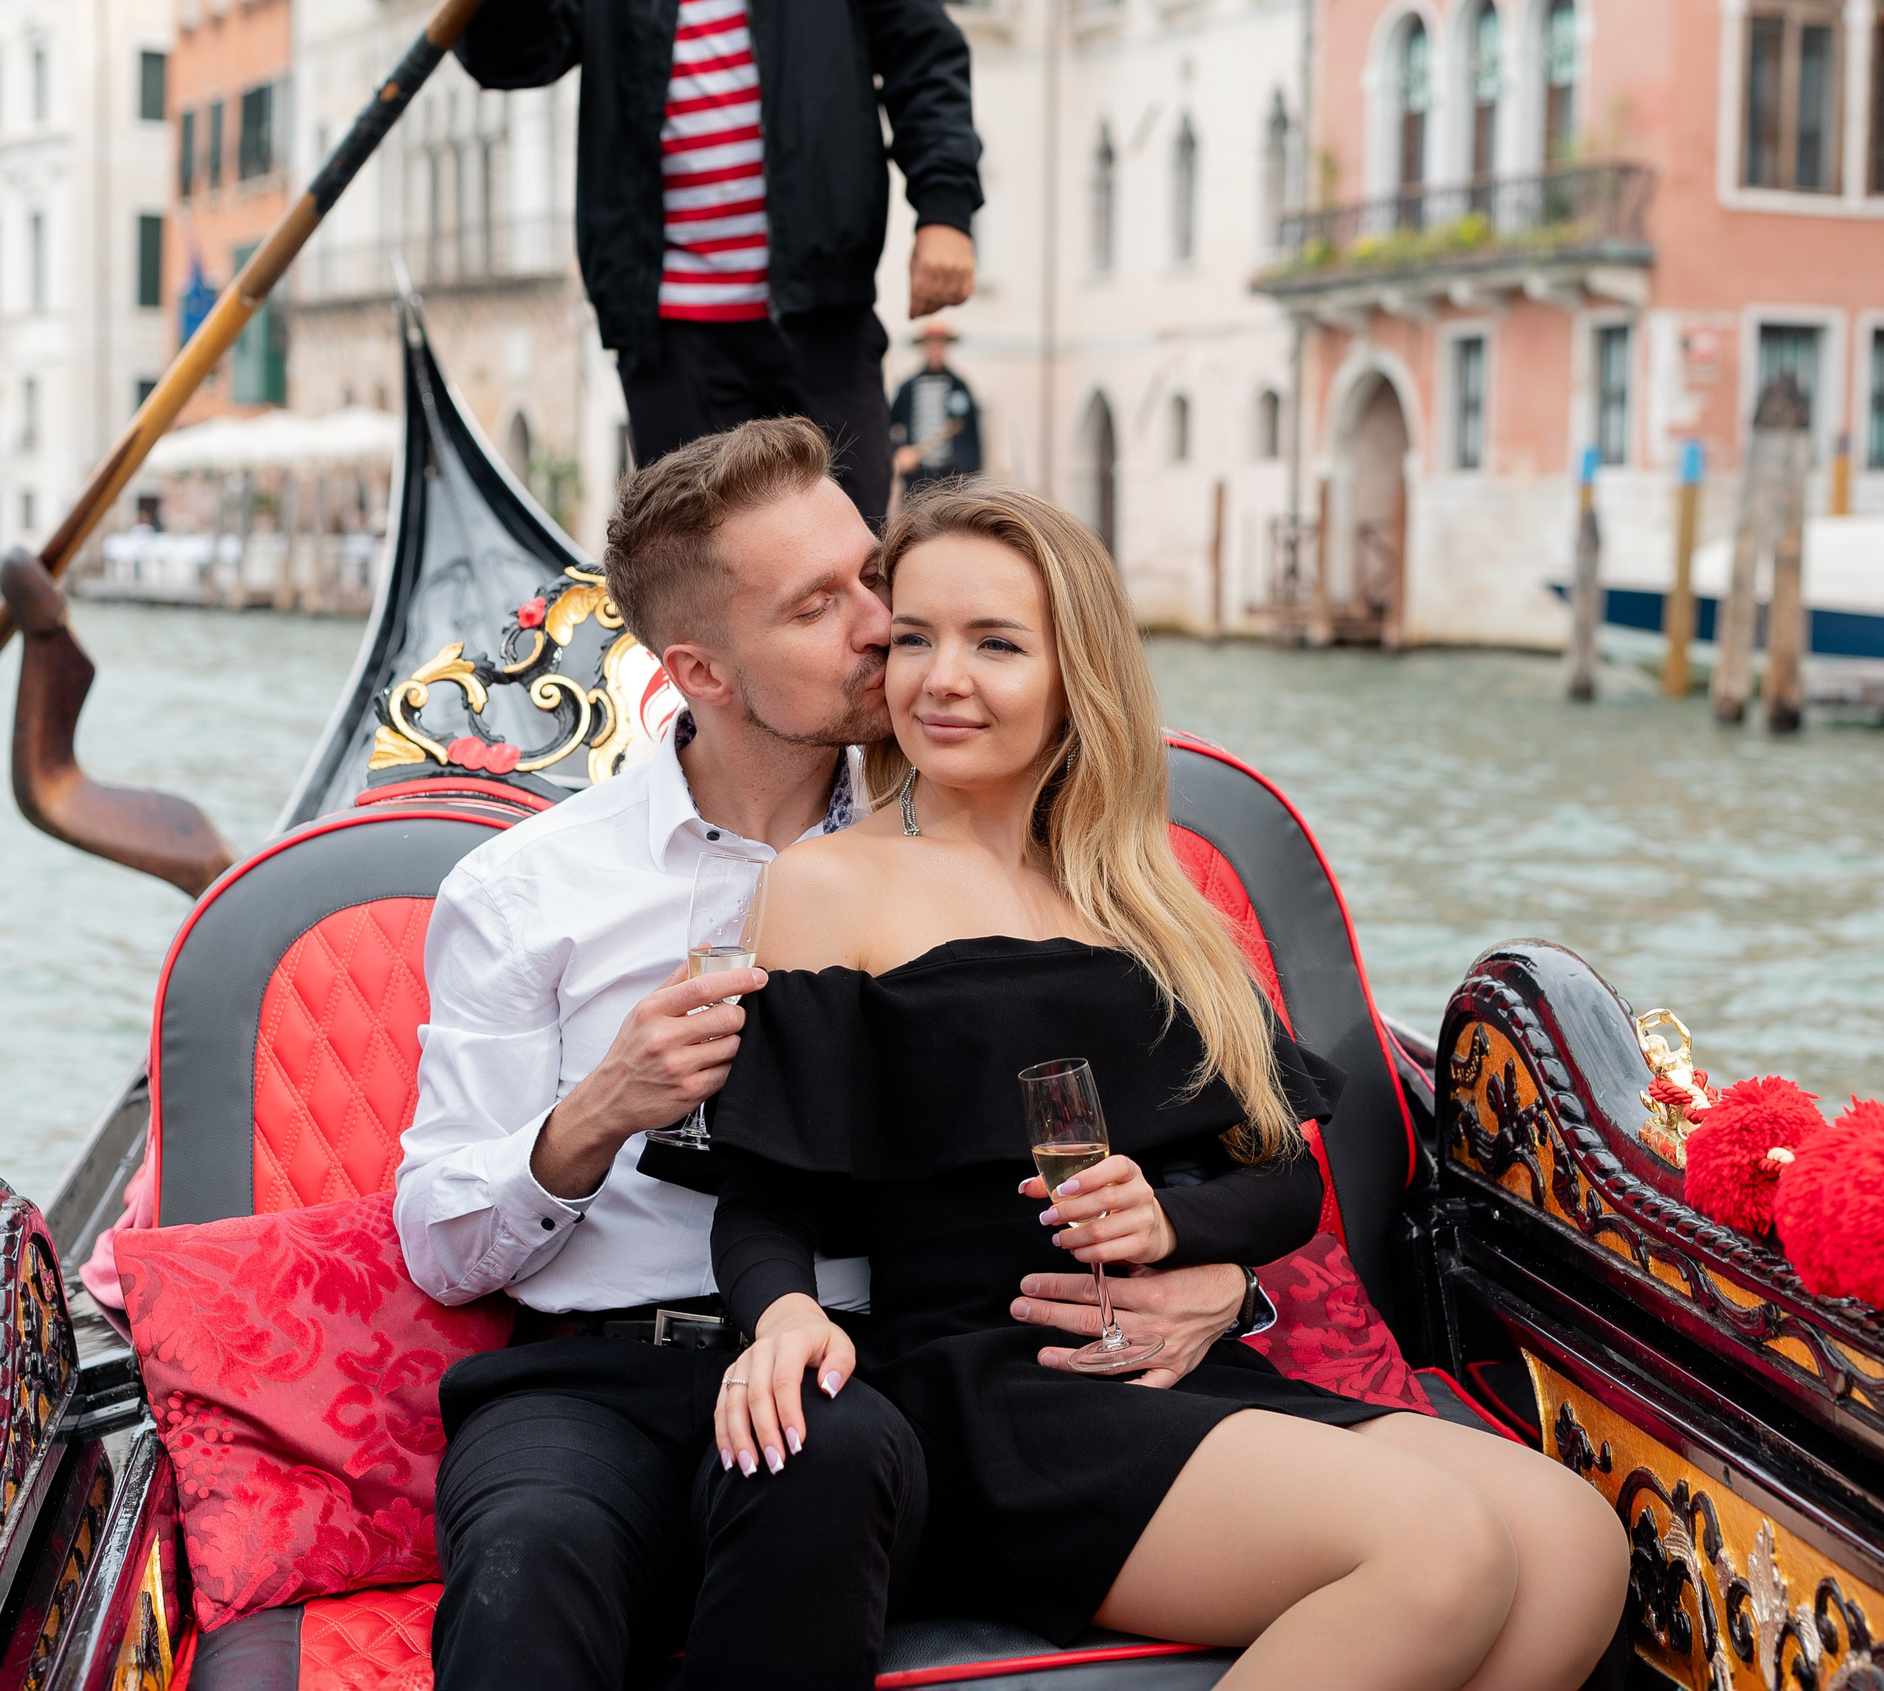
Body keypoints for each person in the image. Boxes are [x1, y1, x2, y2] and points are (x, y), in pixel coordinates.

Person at [673, 482, 1631, 1690]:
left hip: (1177, 1365)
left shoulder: (1145, 898)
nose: (942, 678)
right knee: (1438, 1550)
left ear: (1077, 676)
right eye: (913, 638)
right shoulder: (830, 887)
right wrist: (784, 1316)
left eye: (995, 644)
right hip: (997, 1393)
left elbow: (1283, 1180)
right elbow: (763, 1195)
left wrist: (1175, 1229)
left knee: (1574, 1545)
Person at [395, 419, 1270, 1690]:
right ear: (699, 668)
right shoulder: (525, 889)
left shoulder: (976, 849)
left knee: (826, 1452)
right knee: (530, 1560)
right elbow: (438, 1241)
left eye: (872, 576)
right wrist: (601, 1109)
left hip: (870, 1364)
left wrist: (1228, 1281)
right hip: (596, 1378)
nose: (881, 625)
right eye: (818, 606)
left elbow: (1160, 1130)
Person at [453, 0, 983, 522]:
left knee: (852, 549)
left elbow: (924, 54)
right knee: (687, 559)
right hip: (666, 337)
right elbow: (512, 54)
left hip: (822, 316)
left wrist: (945, 209)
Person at [889, 320, 983, 494]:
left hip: (951, 476)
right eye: (931, 344)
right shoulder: (908, 387)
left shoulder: (959, 386)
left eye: (940, 344)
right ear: (923, 347)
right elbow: (889, 425)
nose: (936, 349)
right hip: (917, 476)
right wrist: (899, 452)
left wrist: (970, 473)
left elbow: (972, 434)